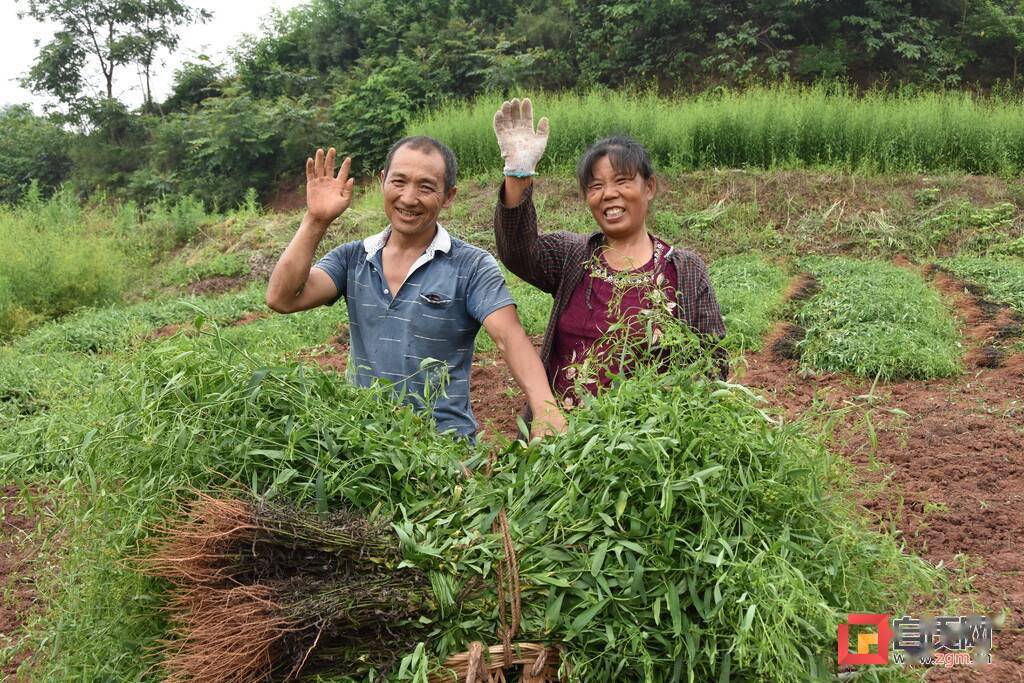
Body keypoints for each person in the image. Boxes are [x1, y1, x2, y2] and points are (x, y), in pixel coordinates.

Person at [266, 136, 566, 441]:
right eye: (399, 181)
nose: (409, 198)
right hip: (362, 443)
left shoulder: (471, 266)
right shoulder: (352, 258)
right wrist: (315, 220)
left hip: (444, 449)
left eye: (426, 187)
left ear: (449, 196)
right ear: (383, 182)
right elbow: (281, 298)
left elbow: (508, 337)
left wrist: (545, 409)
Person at [492, 98, 727, 409]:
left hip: (647, 444)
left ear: (649, 188)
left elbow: (713, 361)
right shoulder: (572, 255)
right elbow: (519, 253)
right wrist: (518, 177)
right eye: (596, 185)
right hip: (563, 437)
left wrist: (672, 418)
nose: (609, 194)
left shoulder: (684, 269)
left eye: (622, 181)